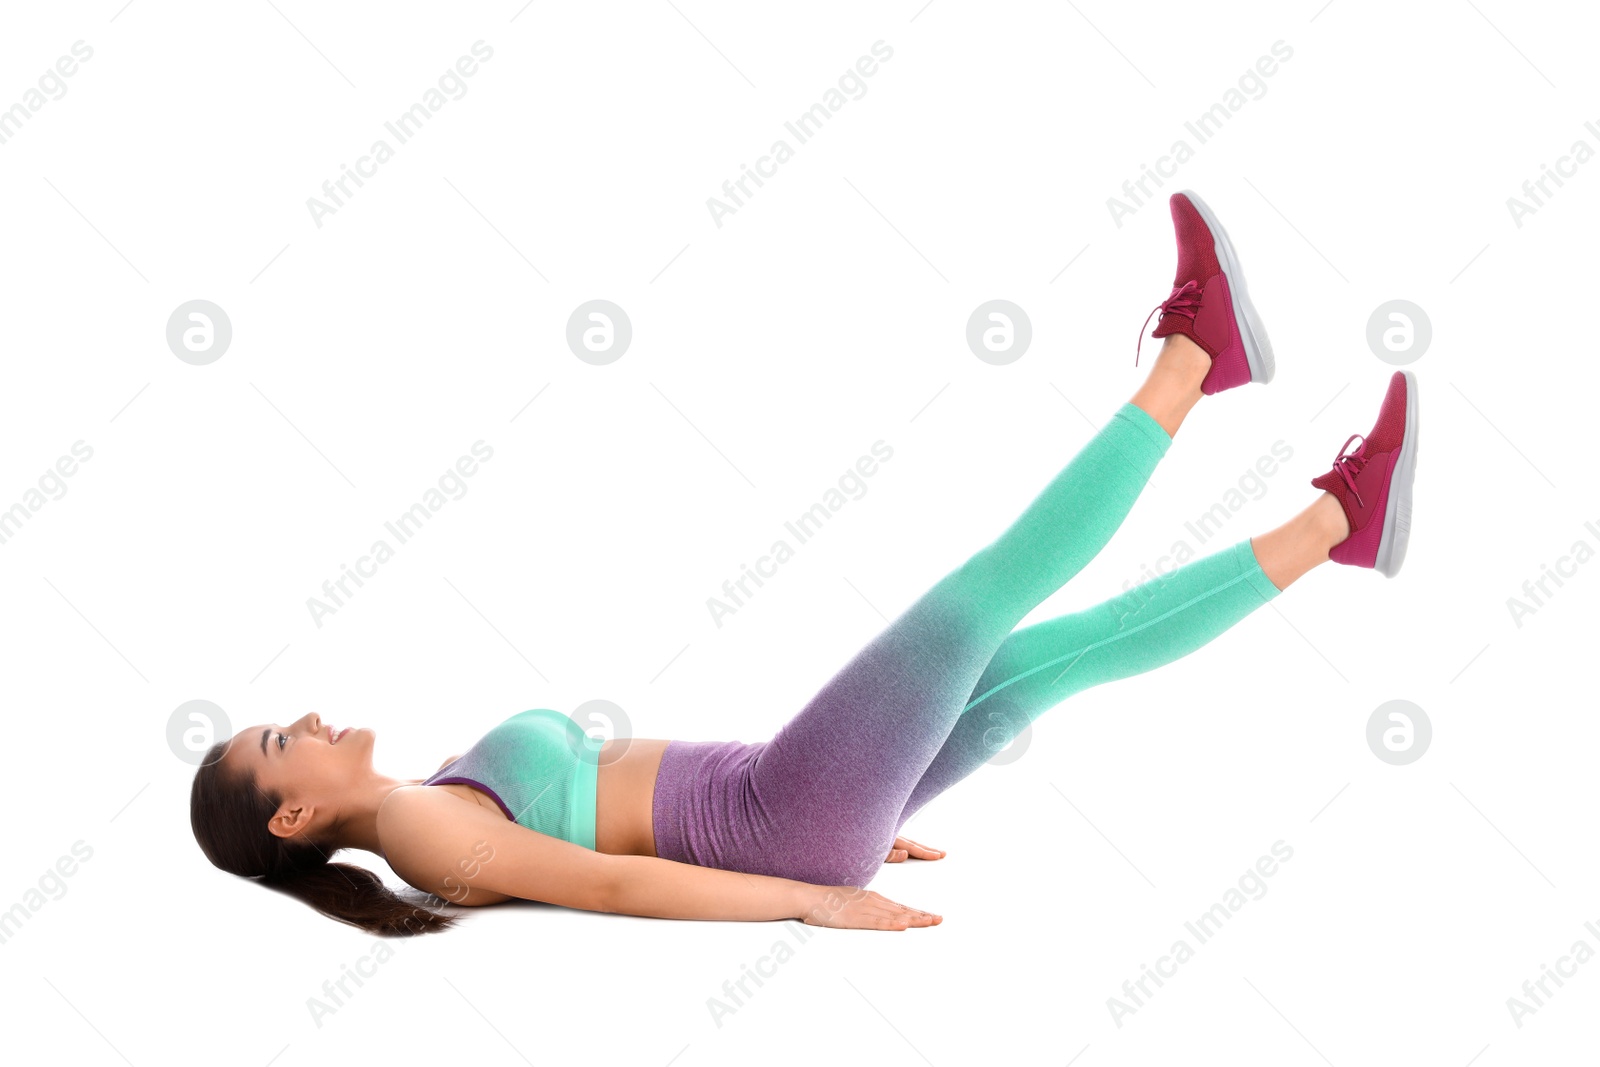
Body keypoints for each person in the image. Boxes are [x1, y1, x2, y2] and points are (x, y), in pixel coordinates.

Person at [191, 191, 1419, 934]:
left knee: (1044, 657)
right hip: (789, 815)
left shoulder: (431, 797)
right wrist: (808, 891)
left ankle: (1333, 526)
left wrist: (857, 808)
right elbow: (610, 889)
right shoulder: (414, 828)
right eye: (275, 742)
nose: (298, 717)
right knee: (987, 593)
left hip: (803, 798)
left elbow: (630, 828)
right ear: (294, 811)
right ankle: (1196, 361)